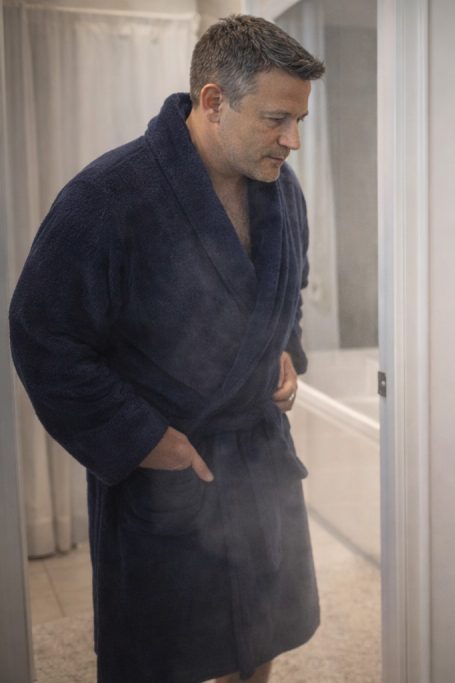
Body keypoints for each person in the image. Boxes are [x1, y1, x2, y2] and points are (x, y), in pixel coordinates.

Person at [9, 15, 325, 682]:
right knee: (169, 653)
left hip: (259, 460)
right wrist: (149, 439)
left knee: (261, 633)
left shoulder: (282, 190)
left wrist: (284, 348)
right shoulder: (109, 197)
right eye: (276, 119)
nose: (292, 141)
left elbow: (288, 285)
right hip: (170, 470)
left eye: (298, 120)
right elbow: (43, 335)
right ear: (213, 102)